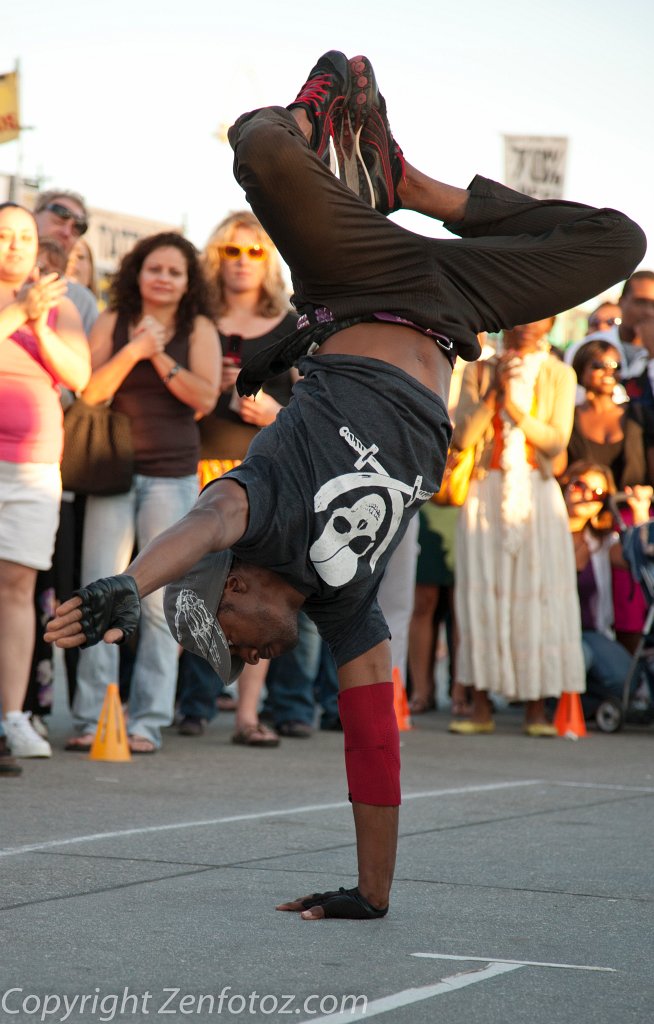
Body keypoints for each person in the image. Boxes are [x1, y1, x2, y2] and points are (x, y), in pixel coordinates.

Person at [46, 51, 645, 917]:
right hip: (447, 309)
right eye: (236, 655)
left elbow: (206, 524)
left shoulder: (256, 513)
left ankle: (347, 137)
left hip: (360, 283)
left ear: (239, 580)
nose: (242, 653)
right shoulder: (343, 605)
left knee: (259, 148)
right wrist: (372, 893)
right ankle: (407, 182)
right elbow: (370, 746)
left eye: (228, 630)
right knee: (620, 242)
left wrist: (124, 585)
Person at [65, 232, 220, 754]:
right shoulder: (113, 321)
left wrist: (160, 358)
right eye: (155, 268)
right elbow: (90, 392)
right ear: (137, 271)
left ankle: (148, 720)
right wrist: (135, 348)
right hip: (112, 473)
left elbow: (203, 397)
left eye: (175, 272)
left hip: (172, 476)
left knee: (157, 602)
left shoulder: (198, 327)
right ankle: (92, 716)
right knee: (99, 592)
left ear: (186, 281)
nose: (163, 278)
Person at [176, 211, 297, 746]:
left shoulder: (290, 323)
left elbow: (312, 406)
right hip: (199, 465)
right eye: (232, 251)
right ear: (215, 256)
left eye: (254, 252)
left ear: (268, 261)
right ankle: (196, 704)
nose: (243, 263)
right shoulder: (195, 318)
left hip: (263, 472)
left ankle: (248, 715)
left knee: (260, 593)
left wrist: (272, 412)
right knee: (198, 590)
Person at [451, 317, 589, 735]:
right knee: (482, 593)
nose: (530, 324)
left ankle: (536, 709)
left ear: (551, 322)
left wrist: (515, 411)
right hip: (485, 491)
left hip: (537, 491)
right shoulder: (478, 368)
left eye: (541, 317)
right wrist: (493, 396)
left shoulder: (559, 372)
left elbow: (555, 440)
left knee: (538, 594)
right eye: (524, 316)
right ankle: (479, 706)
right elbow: (461, 439)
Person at [0, 202, 90, 762]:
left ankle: (13, 714)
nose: (14, 245)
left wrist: (37, 321)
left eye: (24, 237)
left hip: (33, 466)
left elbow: (80, 377)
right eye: (4, 235)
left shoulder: (57, 305)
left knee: (18, 589)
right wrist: (17, 313)